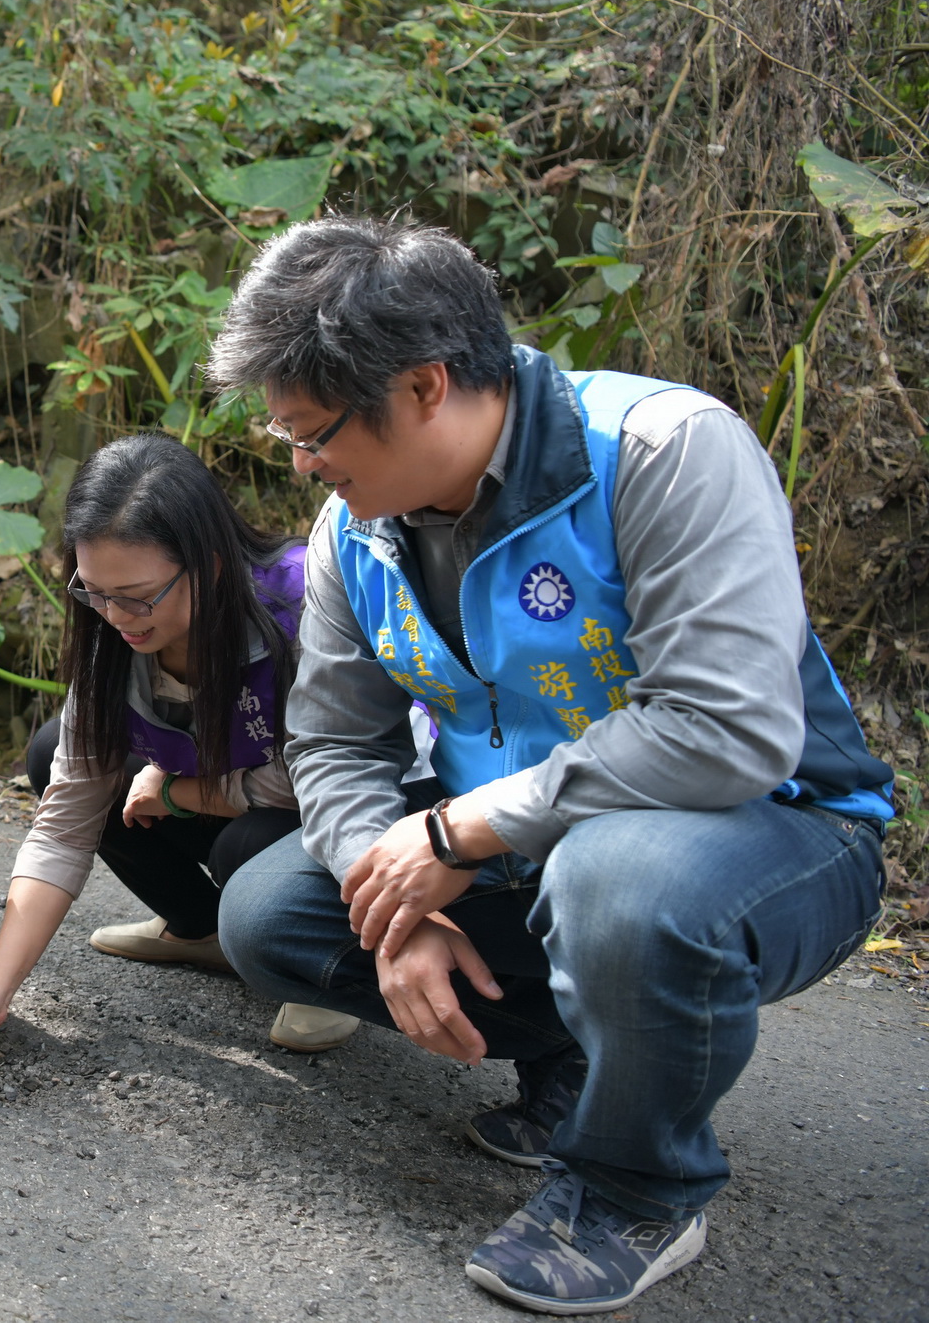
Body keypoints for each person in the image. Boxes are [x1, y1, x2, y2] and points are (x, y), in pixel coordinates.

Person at [207, 216, 892, 1314]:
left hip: (776, 826)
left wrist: (456, 832)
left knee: (615, 882)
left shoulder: (663, 451)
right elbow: (335, 741)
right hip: (520, 834)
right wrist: (392, 904)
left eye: (313, 430)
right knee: (271, 914)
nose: (302, 462)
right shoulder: (356, 529)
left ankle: (636, 1186)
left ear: (425, 385)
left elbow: (727, 727)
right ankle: (593, 1056)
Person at [0, 434, 362, 1057]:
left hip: (329, 821)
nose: (113, 616)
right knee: (54, 751)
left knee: (251, 844)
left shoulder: (303, 603)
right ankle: (201, 931)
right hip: (232, 790)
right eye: (92, 592)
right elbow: (65, 822)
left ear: (208, 564)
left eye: (135, 598)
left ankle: (321, 964)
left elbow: (334, 773)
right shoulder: (113, 628)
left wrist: (184, 792)